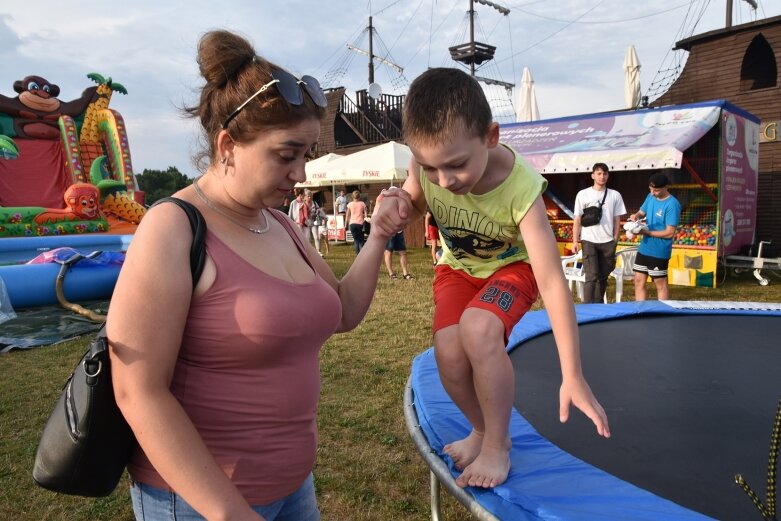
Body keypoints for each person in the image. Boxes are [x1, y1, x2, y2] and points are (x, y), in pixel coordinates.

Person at [106, 30, 408, 521]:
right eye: (286, 155)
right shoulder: (173, 228)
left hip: (292, 488)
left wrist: (376, 237)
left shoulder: (282, 224)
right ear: (228, 145)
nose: (301, 173)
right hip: (201, 501)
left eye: (306, 155)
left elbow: (343, 313)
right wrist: (228, 512)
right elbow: (136, 390)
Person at [399, 67, 610, 489]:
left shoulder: (521, 188)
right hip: (458, 267)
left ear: (491, 137)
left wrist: (573, 373)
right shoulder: (429, 164)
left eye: (456, 165)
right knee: (447, 350)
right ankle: (481, 429)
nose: (444, 181)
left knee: (478, 330)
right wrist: (399, 201)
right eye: (430, 166)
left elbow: (551, 282)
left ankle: (497, 445)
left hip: (513, 268)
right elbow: (413, 196)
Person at [571, 163, 627, 303]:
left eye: (605, 173)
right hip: (589, 240)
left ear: (608, 175)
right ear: (593, 175)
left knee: (603, 276)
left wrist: (615, 239)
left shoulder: (615, 195)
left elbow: (617, 218)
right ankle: (587, 309)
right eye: (599, 173)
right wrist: (575, 241)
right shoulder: (583, 194)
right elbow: (577, 218)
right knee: (592, 275)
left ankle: (599, 305)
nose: (602, 177)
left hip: (608, 241)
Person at [627, 171, 681, 301]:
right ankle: (640, 311)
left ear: (666, 187)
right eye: (650, 189)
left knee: (660, 285)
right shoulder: (650, 197)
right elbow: (641, 212)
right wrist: (636, 216)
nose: (652, 193)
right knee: (639, 281)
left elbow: (669, 233)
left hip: (659, 251)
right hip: (644, 248)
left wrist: (646, 232)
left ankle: (663, 314)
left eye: (656, 190)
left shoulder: (672, 205)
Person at [377, 190, 414, 280]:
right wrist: (381, 194)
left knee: (403, 252)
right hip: (390, 231)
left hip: (399, 231)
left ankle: (405, 273)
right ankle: (391, 273)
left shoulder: (401, 202)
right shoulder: (385, 203)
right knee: (388, 252)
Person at [304, 191, 327, 256]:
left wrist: (317, 212)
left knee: (316, 237)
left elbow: (319, 210)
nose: (310, 197)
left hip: (314, 222)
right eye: (308, 196)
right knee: (308, 238)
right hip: (306, 223)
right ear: (305, 197)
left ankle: (318, 251)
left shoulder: (314, 203)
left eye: (311, 196)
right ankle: (308, 252)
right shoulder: (303, 204)